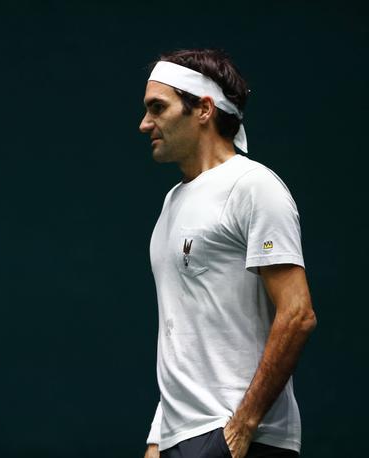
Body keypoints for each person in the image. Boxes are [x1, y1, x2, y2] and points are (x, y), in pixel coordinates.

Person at [138, 49, 317, 458]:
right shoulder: (172, 202)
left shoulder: (254, 187)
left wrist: (242, 427)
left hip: (240, 436)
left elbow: (298, 314)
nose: (145, 123)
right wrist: (157, 438)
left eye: (157, 108)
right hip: (179, 437)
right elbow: (182, 333)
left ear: (202, 109)